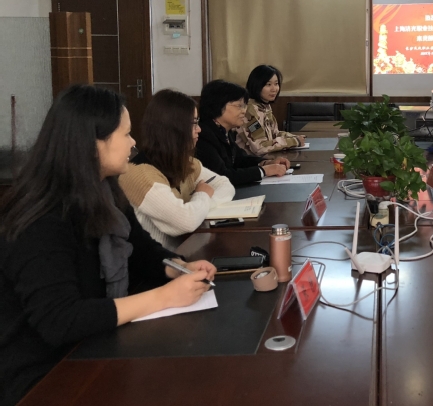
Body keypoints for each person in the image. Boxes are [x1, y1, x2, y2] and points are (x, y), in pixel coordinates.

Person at [0, 85, 216, 406]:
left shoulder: (105, 191)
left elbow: (142, 252)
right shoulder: (41, 219)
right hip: (45, 376)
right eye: (125, 134)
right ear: (92, 143)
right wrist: (164, 297)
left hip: (95, 347)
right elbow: (60, 319)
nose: (133, 143)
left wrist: (178, 267)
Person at [119, 89, 236, 250]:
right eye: (194, 123)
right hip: (156, 262)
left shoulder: (186, 163)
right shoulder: (139, 174)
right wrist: (202, 195)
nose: (199, 129)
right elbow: (186, 221)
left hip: (183, 251)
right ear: (174, 128)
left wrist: (200, 206)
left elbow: (225, 185)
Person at [195, 80, 291, 186]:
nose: (244, 111)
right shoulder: (203, 135)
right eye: (239, 106)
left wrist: (265, 163)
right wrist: (263, 171)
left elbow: (240, 159)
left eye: (244, 106)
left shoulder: (223, 130)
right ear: (218, 105)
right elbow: (222, 176)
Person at [237, 64, 305, 156]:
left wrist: (294, 137)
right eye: (268, 84)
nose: (274, 89)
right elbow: (260, 147)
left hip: (265, 159)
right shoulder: (249, 110)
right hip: (249, 162)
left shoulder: (264, 106)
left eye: (276, 84)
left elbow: (274, 134)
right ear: (257, 85)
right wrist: (293, 141)